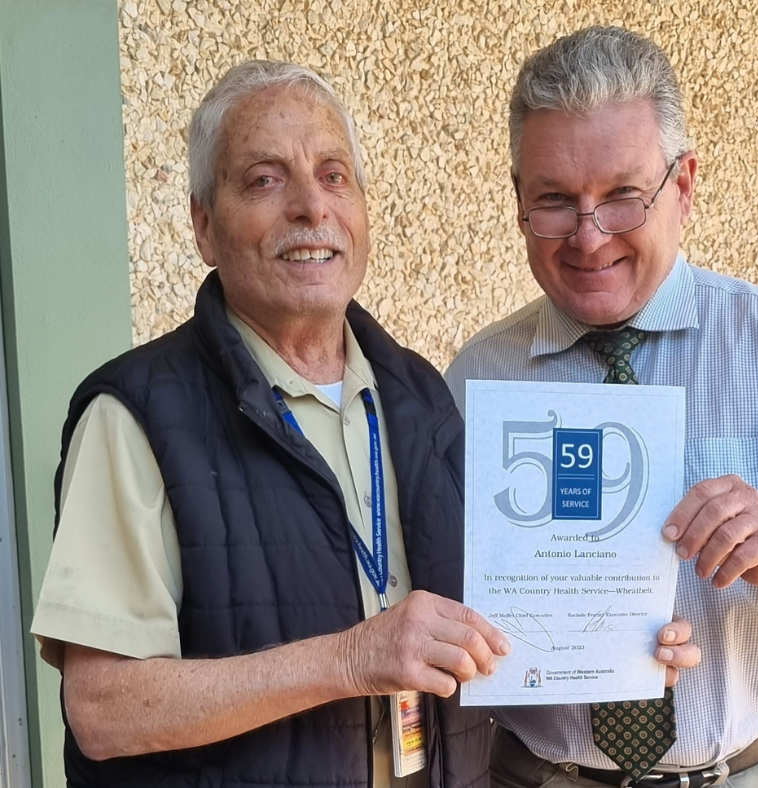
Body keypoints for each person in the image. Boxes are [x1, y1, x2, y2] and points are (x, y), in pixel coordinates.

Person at [445, 26, 758, 788]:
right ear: (517, 203)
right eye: (554, 201)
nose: (587, 236)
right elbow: (444, 594)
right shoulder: (476, 378)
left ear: (684, 185)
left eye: (621, 197)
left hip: (755, 774)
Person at [30, 60, 519, 788]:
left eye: (333, 175)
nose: (310, 207)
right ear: (203, 224)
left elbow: (492, 616)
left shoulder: (420, 396)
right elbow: (103, 709)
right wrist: (350, 659)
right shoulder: (135, 414)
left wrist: (617, 636)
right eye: (264, 179)